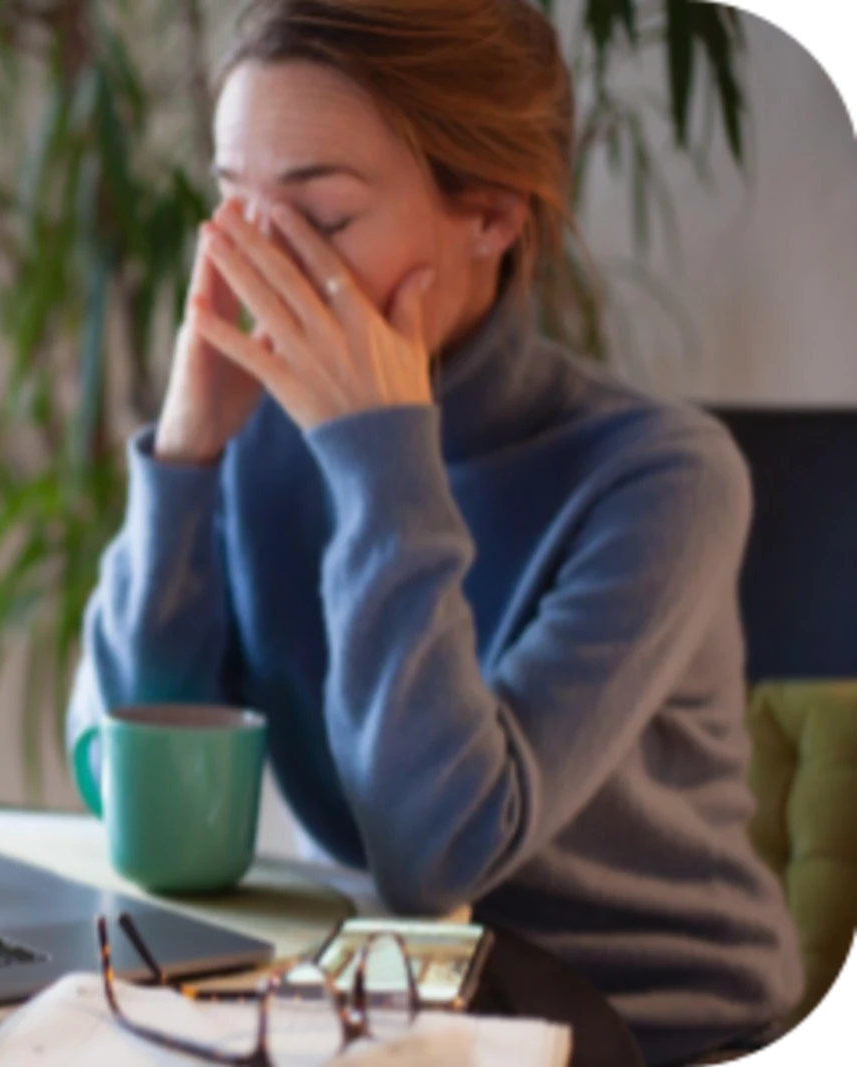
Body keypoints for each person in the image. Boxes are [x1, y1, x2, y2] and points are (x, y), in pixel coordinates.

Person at [64, 2, 804, 1064]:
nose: (253, 264)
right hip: (412, 1006)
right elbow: (125, 785)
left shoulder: (663, 479)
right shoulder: (271, 436)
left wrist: (380, 461)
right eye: (231, 204)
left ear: (491, 216)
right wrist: (187, 453)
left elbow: (437, 852)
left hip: (655, 1029)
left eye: (319, 218)